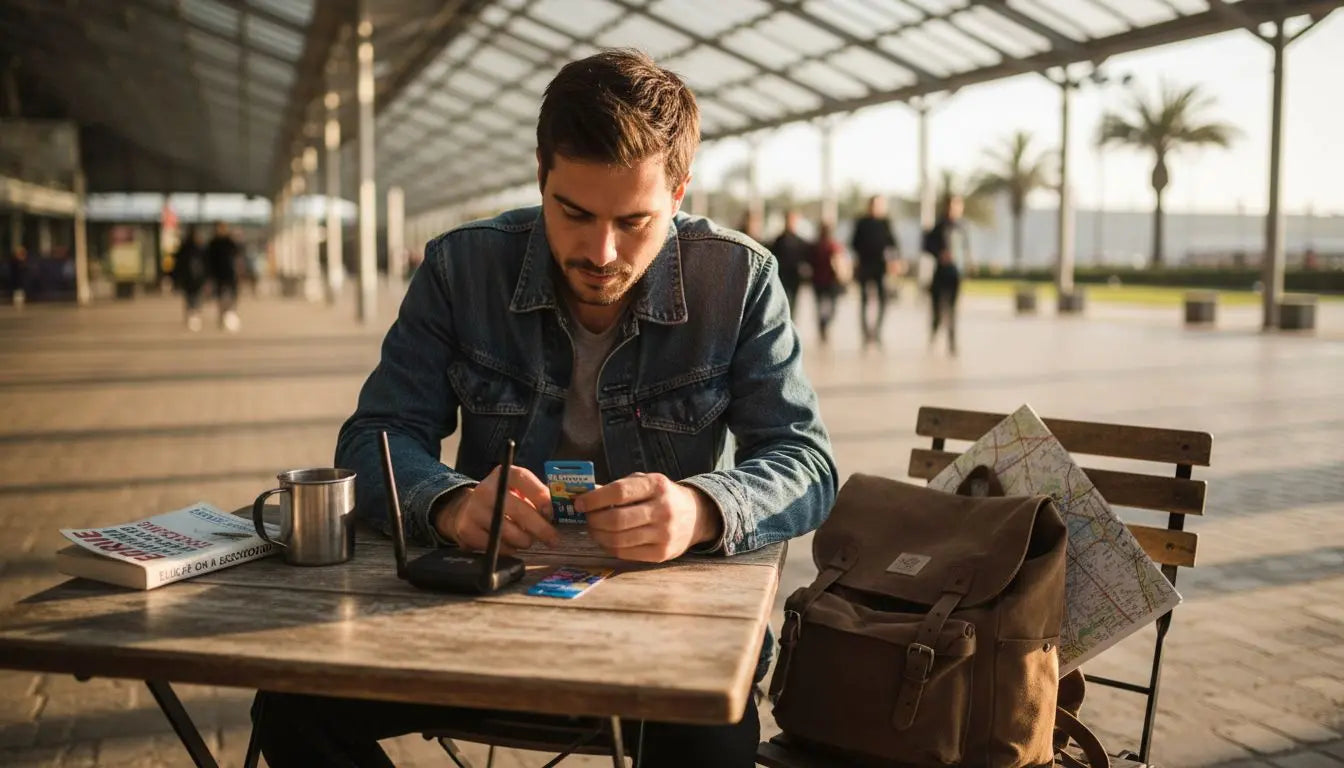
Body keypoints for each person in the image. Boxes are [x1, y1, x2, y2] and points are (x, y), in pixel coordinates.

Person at [252, 49, 837, 768]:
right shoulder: (460, 267)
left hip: (665, 645)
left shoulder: (740, 281)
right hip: (478, 625)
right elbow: (376, 435)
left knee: (711, 740)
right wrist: (449, 503)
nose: (601, 251)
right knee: (288, 707)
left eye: (634, 221)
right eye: (575, 214)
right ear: (540, 177)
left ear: (680, 193)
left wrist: (699, 509)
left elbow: (807, 461)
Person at [923, 194, 969, 355]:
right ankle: (934, 332)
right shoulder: (938, 226)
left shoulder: (962, 227)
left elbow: (965, 248)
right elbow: (926, 246)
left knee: (952, 309)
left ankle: (952, 342)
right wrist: (939, 254)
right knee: (937, 309)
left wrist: (969, 262)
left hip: (956, 274)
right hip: (940, 274)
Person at [850, 195, 898, 344]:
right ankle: (865, 333)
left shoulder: (886, 223)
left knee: (884, 299)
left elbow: (893, 244)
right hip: (865, 266)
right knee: (864, 300)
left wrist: (894, 261)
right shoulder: (861, 222)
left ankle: (877, 331)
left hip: (880, 267)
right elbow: (854, 243)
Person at [769, 209, 809, 315]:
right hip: (782, 278)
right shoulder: (778, 240)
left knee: (793, 306)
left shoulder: (800, 242)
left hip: (794, 278)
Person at [810, 220, 843, 343]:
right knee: (830, 306)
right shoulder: (832, 246)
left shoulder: (818, 246)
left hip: (821, 281)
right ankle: (824, 324)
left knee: (822, 306)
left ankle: (823, 325)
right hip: (827, 281)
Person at [205, 221, 241, 332]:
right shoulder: (213, 243)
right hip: (218, 275)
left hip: (230, 274)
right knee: (220, 297)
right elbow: (208, 261)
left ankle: (229, 315)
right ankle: (223, 317)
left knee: (231, 296)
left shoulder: (229, 241)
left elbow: (237, 255)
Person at [172, 227, 209, 332]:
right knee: (192, 296)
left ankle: (193, 314)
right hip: (192, 278)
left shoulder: (194, 248)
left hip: (193, 278)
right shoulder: (194, 248)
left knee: (193, 296)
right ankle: (193, 314)